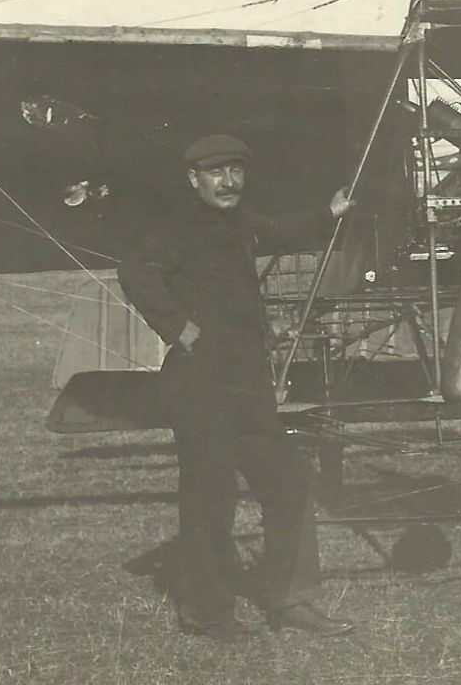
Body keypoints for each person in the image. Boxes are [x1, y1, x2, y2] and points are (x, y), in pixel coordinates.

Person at [119, 133, 357, 641]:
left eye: (235, 171)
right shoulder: (176, 226)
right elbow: (136, 272)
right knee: (210, 495)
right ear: (193, 179)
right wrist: (179, 327)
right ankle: (207, 612)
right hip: (199, 383)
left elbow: (277, 230)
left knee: (289, 482)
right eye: (215, 173)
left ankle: (292, 600)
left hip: (247, 384)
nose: (228, 182)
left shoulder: (236, 221)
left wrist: (328, 213)